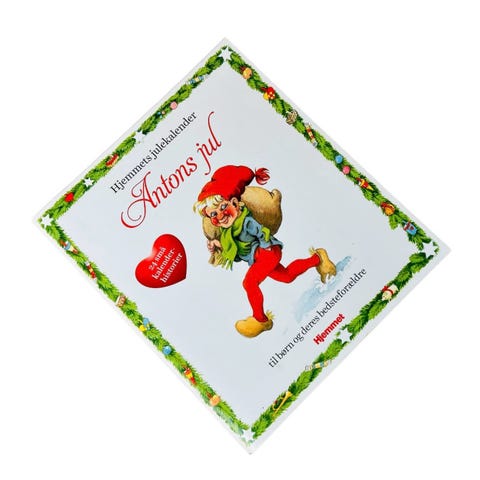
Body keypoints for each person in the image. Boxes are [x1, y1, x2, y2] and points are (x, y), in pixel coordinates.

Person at [194, 165, 336, 338]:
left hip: (267, 252)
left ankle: (260, 320)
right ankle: (318, 258)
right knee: (287, 276)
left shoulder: (246, 221)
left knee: (249, 283)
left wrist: (266, 246)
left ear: (235, 203)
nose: (220, 215)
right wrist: (217, 245)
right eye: (213, 215)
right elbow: (237, 249)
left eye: (223, 207)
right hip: (259, 257)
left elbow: (261, 232)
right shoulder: (229, 233)